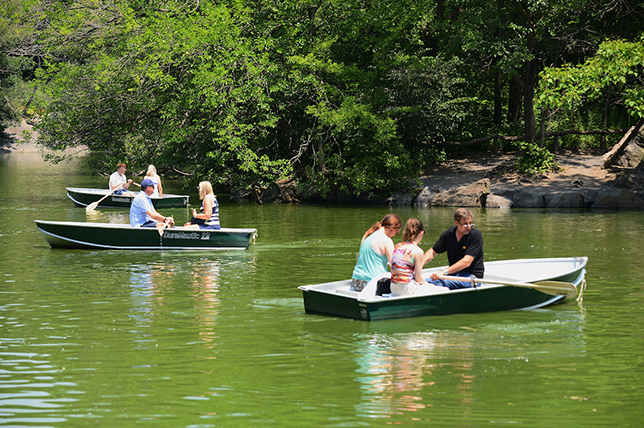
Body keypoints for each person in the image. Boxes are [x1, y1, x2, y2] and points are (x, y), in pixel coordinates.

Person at [423, 208, 484, 289]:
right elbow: (433, 251)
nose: (469, 227)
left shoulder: (475, 235)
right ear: (457, 223)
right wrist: (419, 265)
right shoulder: (449, 234)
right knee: (425, 283)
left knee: (438, 285)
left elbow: (467, 262)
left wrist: (443, 272)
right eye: (465, 224)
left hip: (471, 277)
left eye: (470, 223)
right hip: (453, 274)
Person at [350, 213, 402, 292]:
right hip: (373, 284)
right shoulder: (386, 240)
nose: (395, 235)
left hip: (357, 282)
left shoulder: (367, 235)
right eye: (397, 232)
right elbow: (394, 267)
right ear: (392, 228)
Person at [390, 218, 438, 296]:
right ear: (421, 233)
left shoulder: (398, 246)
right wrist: (430, 285)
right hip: (407, 289)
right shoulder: (417, 251)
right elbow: (419, 279)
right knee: (445, 289)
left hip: (393, 288)